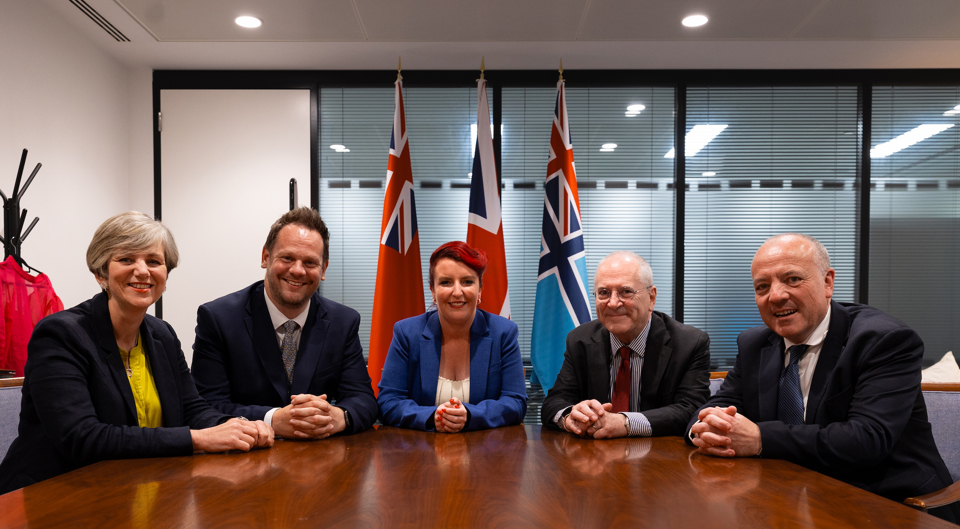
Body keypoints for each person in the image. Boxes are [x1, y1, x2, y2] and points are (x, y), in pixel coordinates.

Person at [688, 233, 958, 523]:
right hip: (784, 498)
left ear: (827, 282)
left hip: (890, 503)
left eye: (792, 279)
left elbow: (867, 439)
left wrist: (759, 438)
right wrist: (705, 430)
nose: (776, 296)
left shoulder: (883, 340)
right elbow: (713, 410)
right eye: (762, 286)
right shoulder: (754, 344)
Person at [0, 212, 273, 494]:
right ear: (100, 272)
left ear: (166, 275)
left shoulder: (162, 335)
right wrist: (199, 439)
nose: (142, 271)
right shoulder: (60, 334)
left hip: (136, 487)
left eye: (154, 261)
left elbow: (192, 409)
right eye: (126, 259)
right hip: (53, 494)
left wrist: (238, 427)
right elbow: (81, 437)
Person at [191, 207, 377, 439]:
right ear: (266, 257)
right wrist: (272, 419)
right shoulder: (218, 318)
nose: (298, 270)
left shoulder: (343, 322)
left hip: (321, 462)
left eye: (310, 262)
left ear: (324, 269)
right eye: (287, 258)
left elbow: (364, 400)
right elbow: (205, 406)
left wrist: (336, 417)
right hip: (243, 461)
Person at [542, 251, 711, 438]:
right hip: (594, 460)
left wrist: (625, 422)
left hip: (660, 458)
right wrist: (571, 417)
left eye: (626, 292)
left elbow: (691, 410)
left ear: (651, 298)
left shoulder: (689, 343)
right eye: (604, 293)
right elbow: (554, 402)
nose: (613, 303)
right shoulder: (580, 340)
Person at [377, 241, 528, 431]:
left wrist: (470, 414)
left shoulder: (503, 333)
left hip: (487, 453)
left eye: (467, 281)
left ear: (480, 290)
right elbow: (388, 403)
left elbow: (516, 402)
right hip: (419, 454)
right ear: (432, 290)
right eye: (446, 282)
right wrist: (434, 416)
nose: (457, 292)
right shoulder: (407, 333)